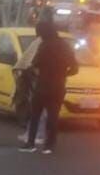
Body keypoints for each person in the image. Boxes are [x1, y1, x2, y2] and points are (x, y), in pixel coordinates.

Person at [20, 21, 78, 155]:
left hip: (42, 86)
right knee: (53, 117)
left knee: (35, 115)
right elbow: (75, 69)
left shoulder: (44, 46)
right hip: (58, 87)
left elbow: (35, 64)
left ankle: (31, 144)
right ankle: (49, 146)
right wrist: (63, 74)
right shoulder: (65, 46)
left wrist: (31, 72)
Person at [13, 33, 46, 146]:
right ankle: (30, 133)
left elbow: (30, 61)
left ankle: (39, 134)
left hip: (40, 81)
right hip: (38, 80)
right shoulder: (42, 42)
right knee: (35, 109)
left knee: (40, 109)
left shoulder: (43, 43)